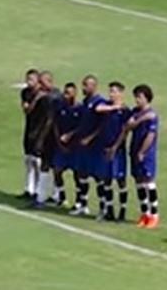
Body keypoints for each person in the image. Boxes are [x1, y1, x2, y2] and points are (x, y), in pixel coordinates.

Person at [66, 75, 108, 216]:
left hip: (95, 147)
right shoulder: (85, 102)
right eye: (83, 84)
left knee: (98, 177)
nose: (83, 88)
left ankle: (103, 208)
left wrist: (90, 138)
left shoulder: (100, 102)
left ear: (94, 86)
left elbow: (103, 126)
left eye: (87, 85)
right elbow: (83, 124)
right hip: (82, 146)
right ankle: (82, 204)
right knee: (81, 175)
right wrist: (72, 134)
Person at [19, 70, 60, 206]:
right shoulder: (29, 94)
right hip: (33, 130)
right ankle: (32, 190)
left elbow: (50, 119)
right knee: (31, 160)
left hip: (47, 134)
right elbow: (27, 110)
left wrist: (42, 137)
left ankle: (53, 194)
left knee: (46, 164)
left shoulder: (53, 96)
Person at [127, 84, 160, 229]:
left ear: (146, 98)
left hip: (146, 154)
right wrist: (140, 120)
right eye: (136, 97)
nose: (136, 100)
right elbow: (128, 126)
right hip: (134, 150)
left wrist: (142, 152)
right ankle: (144, 213)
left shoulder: (153, 115)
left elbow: (151, 135)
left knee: (149, 183)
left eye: (139, 97)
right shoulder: (136, 112)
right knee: (139, 182)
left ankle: (154, 214)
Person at [98, 82, 131, 222]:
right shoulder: (107, 107)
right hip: (105, 148)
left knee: (121, 180)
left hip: (118, 150)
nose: (111, 94)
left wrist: (115, 147)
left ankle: (122, 211)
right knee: (107, 179)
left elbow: (125, 131)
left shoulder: (125, 111)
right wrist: (113, 107)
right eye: (110, 91)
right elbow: (98, 108)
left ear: (121, 93)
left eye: (114, 91)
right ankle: (109, 210)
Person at [51, 82, 82, 207]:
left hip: (75, 147)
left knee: (77, 174)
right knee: (57, 171)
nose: (65, 95)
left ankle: (79, 200)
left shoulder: (80, 109)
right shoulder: (60, 107)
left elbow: (82, 127)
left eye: (68, 93)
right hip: (61, 145)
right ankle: (61, 196)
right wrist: (58, 141)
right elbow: (55, 124)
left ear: (75, 93)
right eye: (65, 93)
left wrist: (70, 135)